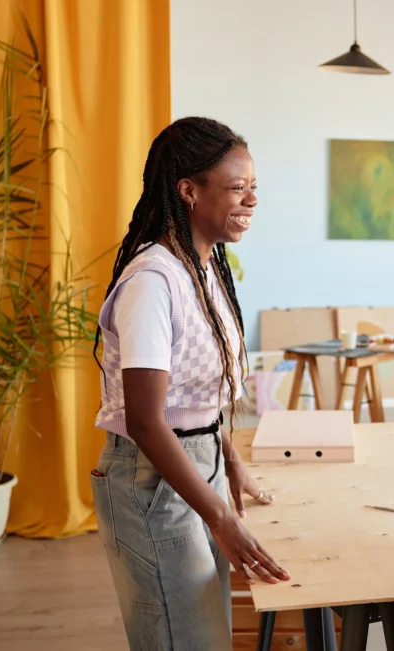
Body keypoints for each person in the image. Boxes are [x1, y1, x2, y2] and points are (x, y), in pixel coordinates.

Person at [89, 117, 289, 651]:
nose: (250, 201)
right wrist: (221, 518)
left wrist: (228, 459)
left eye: (253, 188)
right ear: (188, 191)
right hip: (151, 478)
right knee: (185, 641)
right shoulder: (154, 281)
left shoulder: (205, 270)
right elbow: (147, 421)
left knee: (203, 637)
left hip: (197, 468)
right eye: (236, 188)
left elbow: (196, 397)